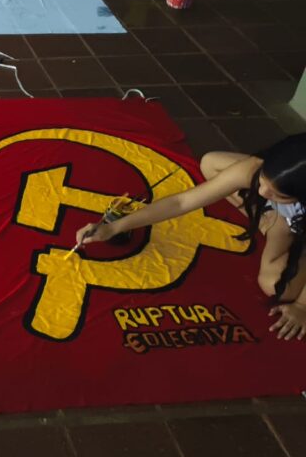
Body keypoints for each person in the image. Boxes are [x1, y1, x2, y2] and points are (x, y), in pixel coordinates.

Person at [76, 134, 306, 341]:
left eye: (278, 194)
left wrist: (301, 306)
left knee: (275, 285)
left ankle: (281, 226)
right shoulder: (256, 169)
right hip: (280, 209)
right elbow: (181, 202)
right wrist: (113, 228)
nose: (262, 192)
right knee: (210, 163)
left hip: (297, 225)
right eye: (263, 180)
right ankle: (272, 218)